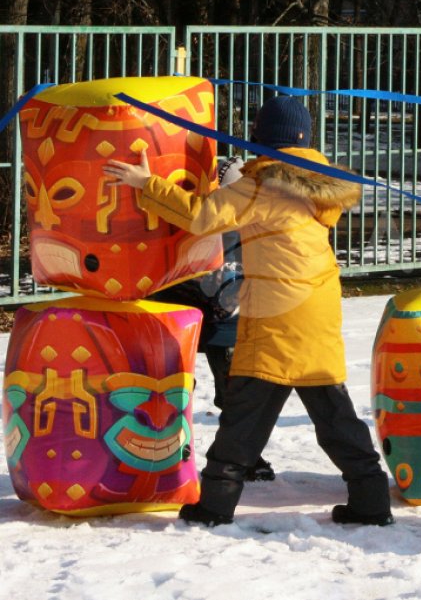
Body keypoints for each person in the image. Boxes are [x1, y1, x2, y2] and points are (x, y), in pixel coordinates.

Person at [104, 95, 393, 527]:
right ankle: (370, 499)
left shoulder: (262, 182)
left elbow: (202, 216)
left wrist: (147, 184)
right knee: (331, 406)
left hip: (279, 310)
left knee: (247, 409)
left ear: (261, 138)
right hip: (317, 303)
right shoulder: (315, 182)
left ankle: (215, 505)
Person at [151, 155, 276, 482]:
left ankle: (245, 456)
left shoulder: (253, 214)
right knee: (171, 386)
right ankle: (167, 448)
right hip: (176, 309)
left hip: (227, 320)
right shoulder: (193, 208)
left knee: (236, 392)